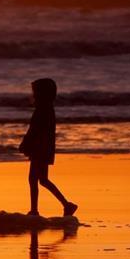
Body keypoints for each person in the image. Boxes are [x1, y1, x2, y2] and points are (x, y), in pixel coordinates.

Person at [18, 78, 78, 217]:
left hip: (40, 148)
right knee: (42, 179)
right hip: (44, 148)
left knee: (35, 179)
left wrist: (26, 143)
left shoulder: (42, 109)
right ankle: (66, 205)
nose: (33, 94)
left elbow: (34, 129)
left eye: (35, 92)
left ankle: (35, 210)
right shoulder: (48, 108)